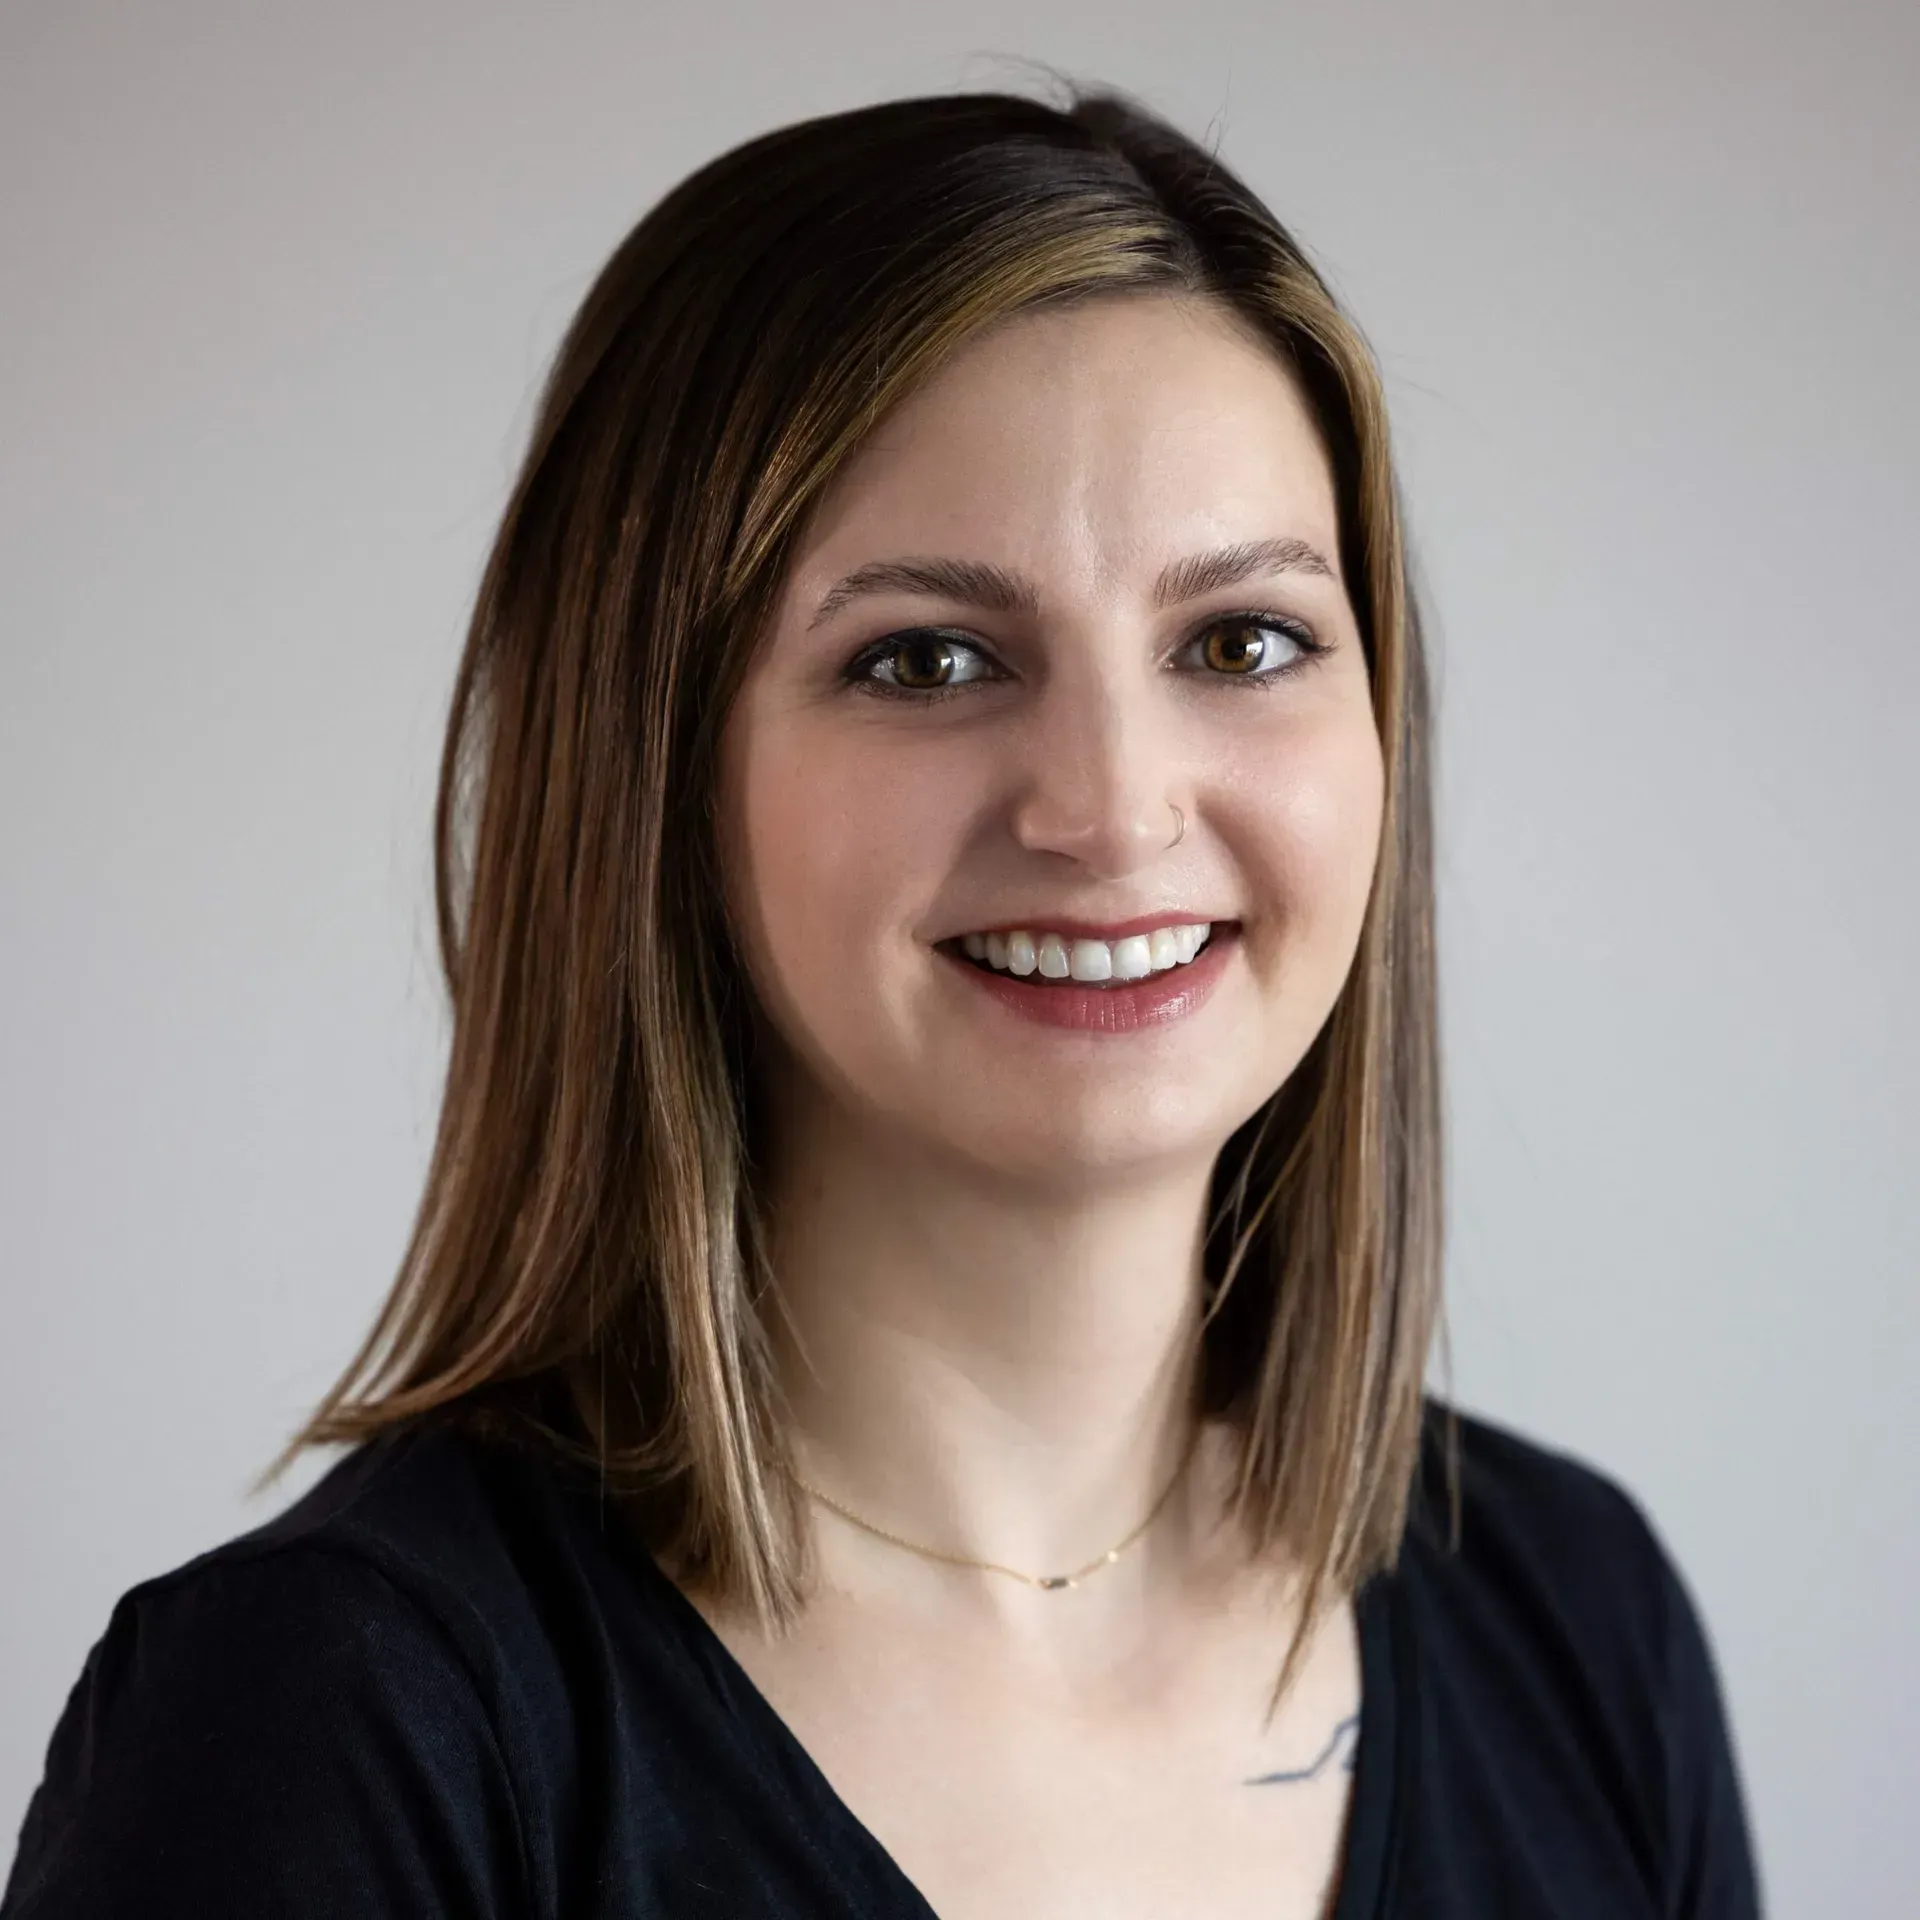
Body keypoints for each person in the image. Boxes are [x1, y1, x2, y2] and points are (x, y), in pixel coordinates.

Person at [1, 85, 1761, 1919]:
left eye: (1240, 641)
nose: (1112, 807)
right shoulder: (333, 1726)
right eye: (926, 659)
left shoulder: (1573, 1613)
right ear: (655, 769)